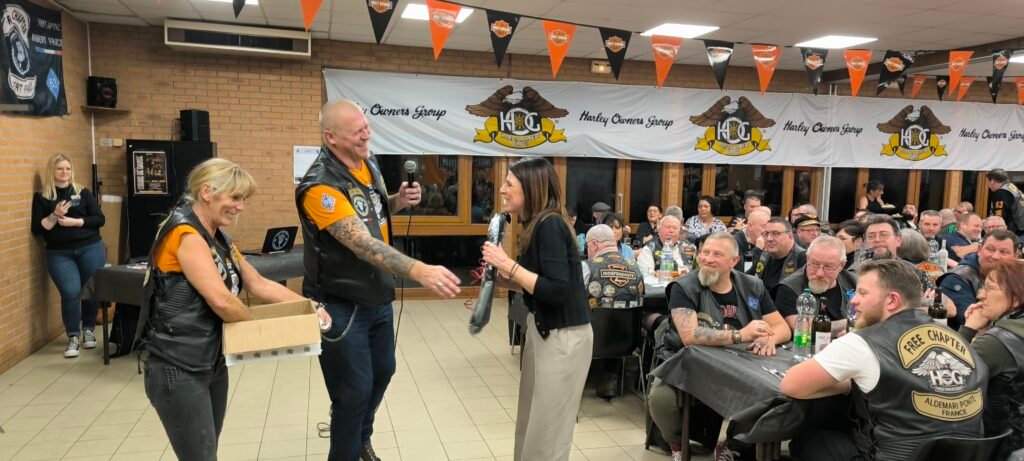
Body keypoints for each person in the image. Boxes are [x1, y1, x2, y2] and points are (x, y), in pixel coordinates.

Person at [296, 99, 462, 461]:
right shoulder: (320, 186)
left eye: (366, 127)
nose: (366, 135)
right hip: (340, 304)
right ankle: (346, 449)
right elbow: (361, 243)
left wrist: (397, 201)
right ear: (331, 137)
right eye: (357, 131)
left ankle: (360, 437)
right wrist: (418, 270)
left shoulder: (367, 164)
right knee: (353, 392)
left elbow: (368, 212)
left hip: (377, 297)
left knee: (384, 371)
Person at [136, 159, 315, 460]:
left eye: (243, 199)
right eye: (235, 197)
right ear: (207, 192)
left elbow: (258, 283)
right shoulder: (186, 234)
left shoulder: (218, 235)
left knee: (208, 451)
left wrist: (311, 308)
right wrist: (260, 331)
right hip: (178, 366)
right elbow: (221, 300)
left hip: (211, 361)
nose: (240, 206)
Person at [780, 259, 987, 461]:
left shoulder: (863, 342)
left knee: (809, 440)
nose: (853, 301)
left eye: (863, 293)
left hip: (893, 454)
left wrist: (850, 383)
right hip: (968, 454)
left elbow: (791, 385)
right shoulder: (957, 339)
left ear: (892, 301)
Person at [481, 157, 592, 461]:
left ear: (530, 188)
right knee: (531, 424)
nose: (502, 190)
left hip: (564, 338)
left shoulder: (551, 225)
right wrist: (501, 279)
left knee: (548, 434)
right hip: (543, 332)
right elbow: (539, 285)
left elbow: (556, 291)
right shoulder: (536, 224)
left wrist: (507, 264)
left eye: (509, 184)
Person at [648, 232, 790, 461]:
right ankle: (676, 442)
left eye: (717, 254)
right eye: (704, 252)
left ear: (734, 261)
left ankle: (735, 444)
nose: (707, 259)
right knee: (661, 399)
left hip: (740, 362)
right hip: (688, 361)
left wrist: (769, 339)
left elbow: (782, 327)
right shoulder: (684, 287)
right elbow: (690, 335)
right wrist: (740, 334)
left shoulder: (752, 285)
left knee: (771, 394)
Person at [31, 154, 106, 358]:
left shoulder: (82, 192)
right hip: (59, 253)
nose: (64, 172)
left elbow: (100, 219)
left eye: (68, 168)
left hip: (90, 248)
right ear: (52, 171)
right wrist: (55, 214)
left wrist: (77, 222)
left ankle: (88, 329)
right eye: (60, 169)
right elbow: (38, 229)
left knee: (90, 289)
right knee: (70, 292)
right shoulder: (43, 197)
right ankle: (73, 336)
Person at [959, 259, 1024, 458]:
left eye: (989, 288)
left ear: (1016, 298)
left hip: (1005, 448)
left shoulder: (997, 342)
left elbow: (946, 377)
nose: (981, 295)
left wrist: (968, 328)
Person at [580, 224, 643, 399]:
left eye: (587, 246)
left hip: (593, 339)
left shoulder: (586, 267)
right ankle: (611, 379)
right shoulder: (635, 266)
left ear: (594, 244)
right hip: (629, 342)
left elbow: (572, 297)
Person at [938, 230, 1019, 331]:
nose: (995, 256)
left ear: (1016, 256)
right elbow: (972, 322)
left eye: (1003, 252)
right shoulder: (957, 279)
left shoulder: (1016, 277)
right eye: (990, 249)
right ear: (980, 249)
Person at [776, 236, 857, 331]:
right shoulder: (790, 287)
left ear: (842, 265)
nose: (819, 273)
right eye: (814, 264)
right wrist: (847, 325)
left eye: (828, 267)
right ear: (807, 258)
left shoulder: (855, 282)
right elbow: (802, 329)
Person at [748, 217, 806, 298]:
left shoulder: (802, 257)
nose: (769, 239)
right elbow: (747, 279)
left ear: (790, 236)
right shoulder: (764, 255)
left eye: (775, 234)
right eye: (766, 234)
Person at [987, 168, 1024, 236]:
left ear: (992, 181)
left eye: (988, 182)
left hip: (1018, 232)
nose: (988, 186)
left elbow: (1000, 218)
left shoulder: (1001, 193)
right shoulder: (1010, 187)